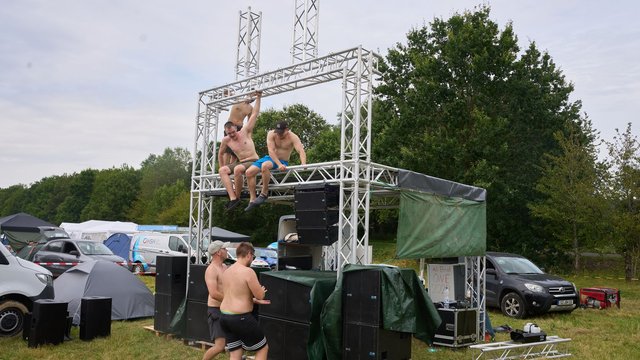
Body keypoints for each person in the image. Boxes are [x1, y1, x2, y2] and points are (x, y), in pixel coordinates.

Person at [219, 242, 270, 360]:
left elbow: (233, 294)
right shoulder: (248, 272)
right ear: (248, 254)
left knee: (235, 353)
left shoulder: (227, 272)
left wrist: (252, 300)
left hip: (225, 317)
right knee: (263, 348)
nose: (252, 259)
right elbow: (260, 295)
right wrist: (261, 292)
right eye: (253, 257)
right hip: (240, 318)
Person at [244, 120, 307, 211]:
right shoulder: (271, 134)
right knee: (249, 172)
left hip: (283, 161)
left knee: (265, 166)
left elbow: (301, 150)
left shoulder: (293, 137)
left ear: (287, 130)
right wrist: (278, 164)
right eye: (278, 132)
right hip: (271, 158)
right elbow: (271, 151)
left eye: (281, 133)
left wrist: (303, 163)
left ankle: (264, 193)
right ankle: (252, 199)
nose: (279, 135)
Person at [218, 91, 262, 211]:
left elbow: (254, 115)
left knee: (237, 168)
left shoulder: (244, 131)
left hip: (251, 160)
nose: (232, 135)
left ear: (236, 130)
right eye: (229, 133)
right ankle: (233, 198)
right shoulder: (226, 140)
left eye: (233, 132)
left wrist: (258, 97)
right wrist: (222, 166)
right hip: (241, 161)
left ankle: (237, 196)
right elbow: (221, 153)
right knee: (223, 169)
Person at [202, 240, 230, 360]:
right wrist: (231, 300)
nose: (227, 250)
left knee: (234, 343)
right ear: (219, 252)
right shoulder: (211, 270)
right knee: (220, 346)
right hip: (216, 311)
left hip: (227, 309)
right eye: (225, 249)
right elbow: (213, 293)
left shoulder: (225, 267)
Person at [221, 95, 257, 167]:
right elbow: (228, 93)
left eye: (254, 98)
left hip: (240, 127)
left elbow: (250, 122)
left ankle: (232, 167)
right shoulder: (238, 100)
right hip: (230, 126)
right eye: (252, 96)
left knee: (236, 150)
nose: (252, 99)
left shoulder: (250, 108)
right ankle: (225, 166)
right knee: (227, 150)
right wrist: (226, 93)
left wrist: (249, 136)